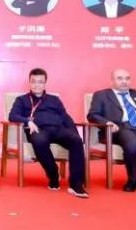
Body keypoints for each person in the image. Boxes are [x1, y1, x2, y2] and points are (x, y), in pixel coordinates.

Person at [8, 68, 87, 197]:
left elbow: (66, 117)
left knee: (77, 141)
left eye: (40, 82)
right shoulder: (21, 100)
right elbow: (12, 116)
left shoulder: (54, 99)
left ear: (45, 83)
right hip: (38, 130)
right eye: (34, 81)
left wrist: (75, 134)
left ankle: (76, 184)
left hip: (58, 129)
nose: (37, 85)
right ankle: (53, 174)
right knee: (39, 141)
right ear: (29, 82)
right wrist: (27, 121)